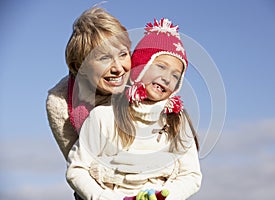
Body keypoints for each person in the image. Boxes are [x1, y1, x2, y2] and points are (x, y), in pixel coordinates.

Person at [66, 18, 202, 200]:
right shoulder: (104, 116)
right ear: (139, 66)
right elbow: (77, 169)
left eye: (176, 75)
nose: (167, 78)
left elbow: (191, 175)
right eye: (160, 66)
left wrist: (166, 196)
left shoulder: (176, 122)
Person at [46, 5, 131, 160]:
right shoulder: (60, 101)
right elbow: (79, 164)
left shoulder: (145, 80)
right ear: (80, 66)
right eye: (104, 58)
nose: (118, 68)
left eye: (123, 54)